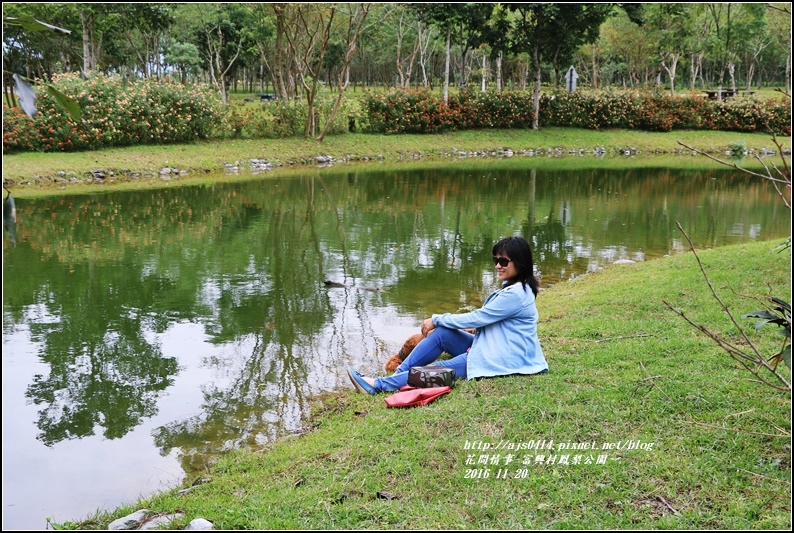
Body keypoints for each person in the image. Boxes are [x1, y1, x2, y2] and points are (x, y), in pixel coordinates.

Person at [347, 235, 548, 395]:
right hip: (490, 347)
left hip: (499, 359)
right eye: (496, 260)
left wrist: (436, 318)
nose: (497, 265)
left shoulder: (516, 294)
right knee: (443, 333)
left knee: (439, 369)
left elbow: (478, 318)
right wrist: (440, 323)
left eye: (503, 260)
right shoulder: (516, 288)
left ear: (520, 263)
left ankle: (377, 385)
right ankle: (400, 374)